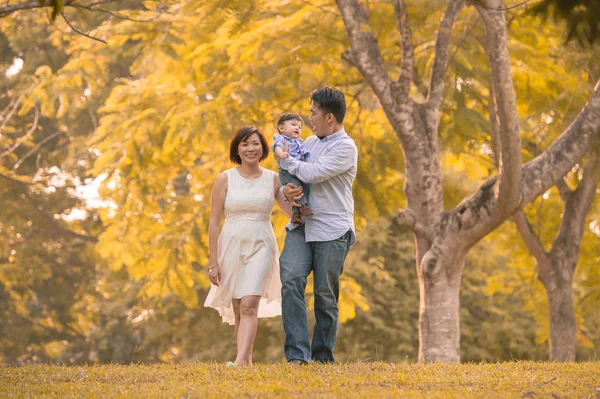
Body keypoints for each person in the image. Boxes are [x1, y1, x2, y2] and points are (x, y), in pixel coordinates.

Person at [277, 87, 358, 364]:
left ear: (330, 117)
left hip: (332, 230)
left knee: (325, 295)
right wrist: (284, 192)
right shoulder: (308, 143)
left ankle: (323, 357)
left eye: (313, 113)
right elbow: (289, 179)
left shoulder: (346, 148)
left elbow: (312, 173)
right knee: (290, 280)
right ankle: (298, 356)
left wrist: (287, 159)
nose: (309, 118)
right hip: (301, 225)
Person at [204, 126, 292, 366]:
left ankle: (241, 362)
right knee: (237, 306)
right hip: (231, 244)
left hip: (261, 244)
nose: (250, 148)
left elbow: (291, 214)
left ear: (263, 147)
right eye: (245, 144)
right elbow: (213, 223)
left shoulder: (273, 178)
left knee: (250, 304)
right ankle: (246, 360)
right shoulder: (225, 178)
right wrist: (213, 263)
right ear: (237, 150)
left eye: (255, 143)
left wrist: (302, 199)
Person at [272, 112, 313, 225]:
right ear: (281, 128)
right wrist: (281, 154)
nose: (297, 128)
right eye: (294, 125)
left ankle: (295, 214)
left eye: (299, 127)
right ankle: (303, 207)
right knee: (296, 188)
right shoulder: (281, 139)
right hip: (287, 172)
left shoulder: (300, 141)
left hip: (297, 170)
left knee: (303, 188)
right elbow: (277, 148)